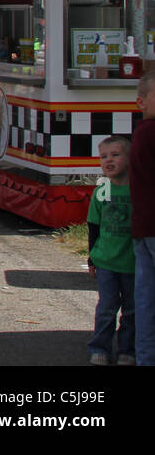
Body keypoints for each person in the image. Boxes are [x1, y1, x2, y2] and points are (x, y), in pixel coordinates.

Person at [86, 136, 135, 365]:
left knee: (132, 310)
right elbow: (93, 226)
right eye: (104, 156)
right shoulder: (102, 189)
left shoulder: (138, 188)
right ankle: (99, 348)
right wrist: (92, 258)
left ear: (129, 158)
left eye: (116, 155)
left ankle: (128, 350)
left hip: (133, 263)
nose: (109, 160)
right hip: (105, 261)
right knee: (106, 308)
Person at [131, 70, 155, 366]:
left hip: (142, 227)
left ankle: (145, 357)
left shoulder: (141, 133)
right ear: (142, 102)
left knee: (146, 299)